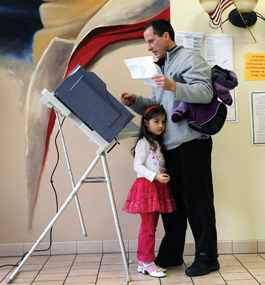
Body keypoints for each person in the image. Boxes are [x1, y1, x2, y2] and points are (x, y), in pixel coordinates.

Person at [120, 19, 219, 277]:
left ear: (165, 36)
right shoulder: (161, 66)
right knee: (173, 205)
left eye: (151, 41)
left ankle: (208, 258)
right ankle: (172, 254)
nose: (149, 47)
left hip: (191, 145)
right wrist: (136, 101)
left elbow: (206, 92)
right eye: (147, 43)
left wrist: (174, 86)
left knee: (198, 202)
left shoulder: (189, 58)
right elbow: (158, 105)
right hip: (169, 148)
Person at [122, 105, 177, 278]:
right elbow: (137, 166)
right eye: (156, 121)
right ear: (146, 123)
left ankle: (143, 262)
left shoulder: (156, 143)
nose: (161, 125)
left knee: (151, 226)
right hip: (147, 187)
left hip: (156, 187)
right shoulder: (143, 143)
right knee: (148, 227)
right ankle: (147, 261)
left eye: (163, 122)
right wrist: (155, 176)